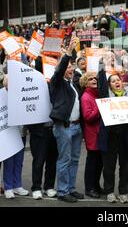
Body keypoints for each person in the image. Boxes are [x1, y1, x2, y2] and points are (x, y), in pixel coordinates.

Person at [49, 37, 84, 203]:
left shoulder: (72, 84)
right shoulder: (57, 82)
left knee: (74, 160)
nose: (71, 69)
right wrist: (68, 53)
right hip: (63, 127)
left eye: (72, 67)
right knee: (64, 160)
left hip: (77, 127)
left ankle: (71, 188)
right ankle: (62, 191)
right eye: (69, 67)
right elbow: (60, 68)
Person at [98, 70, 128, 204]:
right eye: (113, 81)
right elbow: (101, 81)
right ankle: (109, 191)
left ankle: (123, 192)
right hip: (109, 137)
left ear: (122, 82)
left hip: (126, 136)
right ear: (109, 85)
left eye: (118, 80)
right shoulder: (105, 96)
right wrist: (102, 65)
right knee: (109, 167)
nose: (116, 82)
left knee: (125, 167)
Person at [2, 76, 29, 199]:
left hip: (21, 131)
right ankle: (8, 187)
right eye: (9, 82)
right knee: (9, 162)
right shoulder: (0, 95)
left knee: (19, 161)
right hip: (8, 134)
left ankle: (17, 185)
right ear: (5, 84)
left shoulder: (22, 94)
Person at [80, 72, 103, 199]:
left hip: (100, 133)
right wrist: (100, 107)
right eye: (90, 79)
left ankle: (96, 185)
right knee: (92, 163)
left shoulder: (97, 94)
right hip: (92, 134)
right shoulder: (86, 97)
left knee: (99, 162)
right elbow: (88, 117)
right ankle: (89, 188)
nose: (94, 80)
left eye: (95, 78)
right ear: (85, 83)